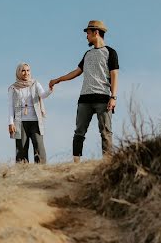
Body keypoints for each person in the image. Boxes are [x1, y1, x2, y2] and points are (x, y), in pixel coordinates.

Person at [49, 20, 119, 162]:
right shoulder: (87, 54)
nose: (86, 36)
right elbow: (76, 72)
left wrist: (114, 97)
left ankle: (107, 162)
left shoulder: (110, 52)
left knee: (105, 132)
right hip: (84, 99)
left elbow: (114, 74)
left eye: (88, 33)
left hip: (103, 98)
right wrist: (58, 79)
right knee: (79, 132)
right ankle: (76, 164)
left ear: (96, 32)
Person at [8, 62, 52, 164]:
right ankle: (22, 172)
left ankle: (41, 170)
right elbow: (10, 106)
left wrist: (50, 89)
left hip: (35, 120)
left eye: (28, 70)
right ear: (19, 72)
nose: (26, 73)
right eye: (23, 70)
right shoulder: (13, 88)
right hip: (20, 122)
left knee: (39, 147)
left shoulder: (35, 84)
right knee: (21, 149)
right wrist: (11, 122)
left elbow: (43, 95)